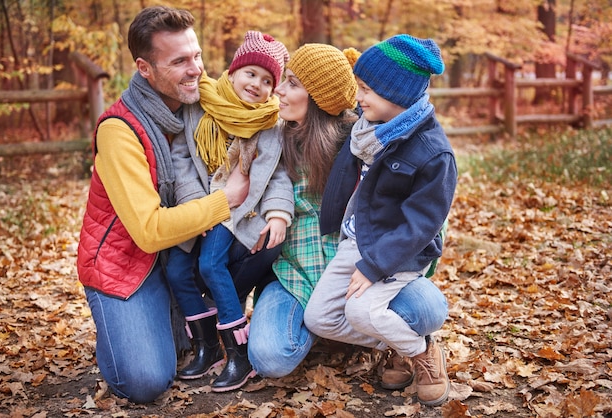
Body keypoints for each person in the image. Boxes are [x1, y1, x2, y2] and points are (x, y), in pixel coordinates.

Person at [76, 6, 272, 404]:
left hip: (184, 250)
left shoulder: (206, 104)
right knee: (146, 381)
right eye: (179, 61)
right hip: (129, 264)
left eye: (196, 55)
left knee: (262, 241)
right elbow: (148, 232)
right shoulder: (120, 131)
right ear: (144, 68)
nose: (196, 69)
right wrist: (225, 200)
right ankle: (124, 326)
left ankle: (231, 333)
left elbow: (263, 124)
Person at [247, 43, 450, 386]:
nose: (278, 90)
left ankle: (407, 347)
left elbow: (424, 220)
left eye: (292, 83)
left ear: (318, 98)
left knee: (427, 310)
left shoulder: (363, 141)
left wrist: (377, 266)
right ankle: (363, 334)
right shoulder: (273, 142)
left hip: (366, 262)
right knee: (272, 356)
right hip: (297, 273)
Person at [303, 34, 457, 407]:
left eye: (368, 89)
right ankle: (398, 342)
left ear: (399, 95)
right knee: (320, 318)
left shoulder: (434, 154)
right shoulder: (366, 131)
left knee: (358, 310)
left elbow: (420, 225)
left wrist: (374, 265)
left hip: (398, 253)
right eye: (359, 87)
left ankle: (421, 352)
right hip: (357, 241)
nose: (360, 97)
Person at [166, 30, 293, 392]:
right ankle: (206, 346)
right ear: (234, 71)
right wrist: (195, 206)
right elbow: (182, 162)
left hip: (237, 212)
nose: (257, 85)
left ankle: (237, 355)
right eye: (251, 73)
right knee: (177, 268)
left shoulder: (270, 125)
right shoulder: (200, 107)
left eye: (268, 80)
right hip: (199, 206)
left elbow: (277, 176)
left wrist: (279, 213)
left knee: (210, 264)